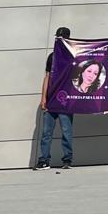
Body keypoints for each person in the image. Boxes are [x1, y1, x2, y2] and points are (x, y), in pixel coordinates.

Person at [35, 26, 73, 170]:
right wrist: (43, 98)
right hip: (51, 99)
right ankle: (44, 160)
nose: (59, 40)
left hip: (66, 100)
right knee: (46, 133)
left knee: (66, 131)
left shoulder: (73, 56)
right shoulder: (52, 56)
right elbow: (47, 77)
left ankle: (67, 159)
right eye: (57, 37)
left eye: (61, 37)